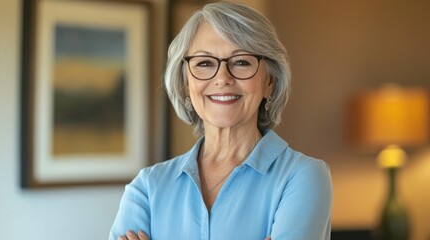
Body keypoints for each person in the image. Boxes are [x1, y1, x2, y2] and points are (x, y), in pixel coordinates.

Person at [109, 2, 332, 240]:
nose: (222, 78)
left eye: (241, 62)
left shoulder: (304, 177)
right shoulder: (147, 188)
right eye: (204, 63)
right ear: (186, 84)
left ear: (270, 82)